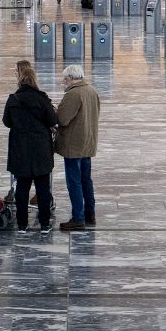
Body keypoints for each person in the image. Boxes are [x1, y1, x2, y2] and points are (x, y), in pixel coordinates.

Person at [2, 61, 58, 232]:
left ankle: (22, 224)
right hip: (40, 148)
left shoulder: (13, 99)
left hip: (20, 148)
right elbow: (52, 120)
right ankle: (45, 224)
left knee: (22, 187)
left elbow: (6, 122)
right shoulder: (42, 99)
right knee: (43, 187)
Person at [54, 64, 100, 232]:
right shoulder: (91, 91)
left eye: (65, 79)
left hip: (74, 145)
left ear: (71, 78)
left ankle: (78, 218)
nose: (64, 82)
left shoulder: (73, 94)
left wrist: (55, 111)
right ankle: (90, 214)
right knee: (86, 180)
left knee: (74, 182)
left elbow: (63, 119)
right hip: (87, 142)